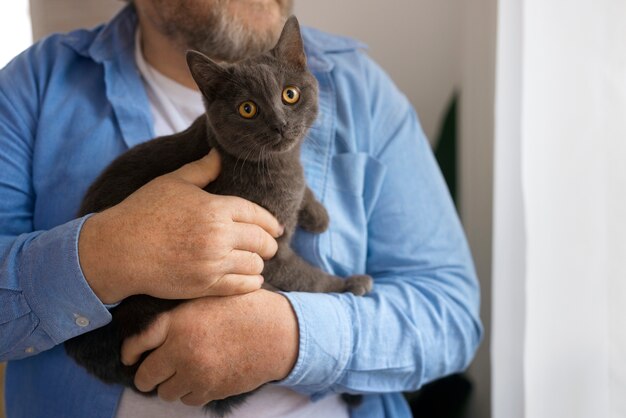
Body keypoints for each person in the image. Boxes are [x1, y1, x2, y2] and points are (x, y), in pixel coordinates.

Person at [0, 0, 483, 417]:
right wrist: (104, 254)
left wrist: (289, 339)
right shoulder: (35, 85)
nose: (277, 119)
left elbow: (452, 315)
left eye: (289, 98)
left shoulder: (362, 88)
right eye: (253, 109)